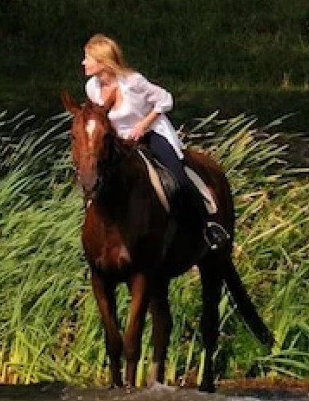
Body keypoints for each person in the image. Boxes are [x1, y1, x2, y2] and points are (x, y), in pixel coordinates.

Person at [81, 34, 229, 252]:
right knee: (95, 179)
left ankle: (207, 226)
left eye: (87, 58)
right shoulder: (92, 88)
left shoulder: (133, 82)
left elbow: (165, 100)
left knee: (178, 176)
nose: (83, 63)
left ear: (102, 61)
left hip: (150, 134)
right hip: (119, 142)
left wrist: (142, 125)